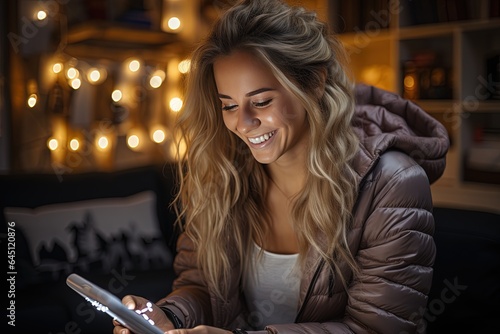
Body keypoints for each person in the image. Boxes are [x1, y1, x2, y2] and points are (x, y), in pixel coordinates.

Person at [113, 0, 449, 333]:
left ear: (315, 83)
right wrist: (168, 316)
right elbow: (203, 286)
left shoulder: (394, 183)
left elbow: (376, 329)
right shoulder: (225, 173)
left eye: (260, 102)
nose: (242, 123)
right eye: (228, 105)